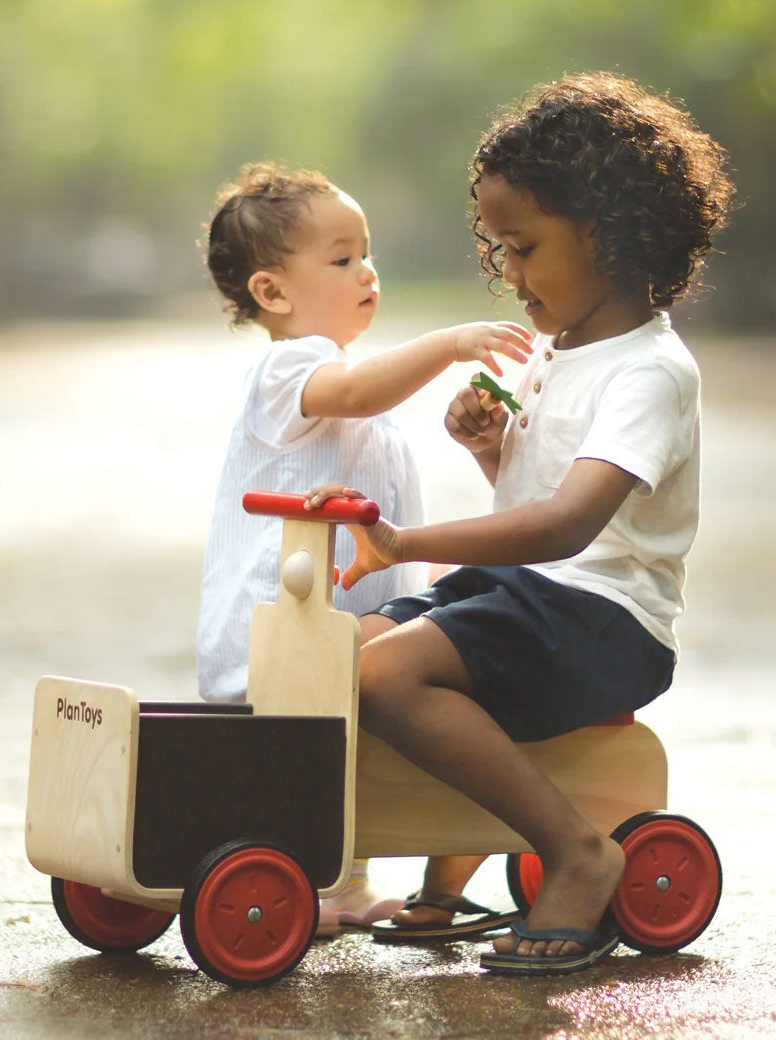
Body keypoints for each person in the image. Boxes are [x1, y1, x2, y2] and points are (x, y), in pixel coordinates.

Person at [305, 72, 735, 975]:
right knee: (340, 657)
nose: (508, 272)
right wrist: (491, 450)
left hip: (604, 620)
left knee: (389, 677)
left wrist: (408, 542)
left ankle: (577, 852)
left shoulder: (649, 371)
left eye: (526, 246)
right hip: (533, 597)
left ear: (612, 238)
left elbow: (568, 528)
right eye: (498, 246)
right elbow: (534, 498)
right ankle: (444, 852)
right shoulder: (556, 351)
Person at [196, 161, 531, 936]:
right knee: (301, 755)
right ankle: (288, 871)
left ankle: (344, 882)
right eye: (341, 258)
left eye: (366, 252)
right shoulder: (290, 368)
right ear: (272, 294)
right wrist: (449, 345)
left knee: (343, 755)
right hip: (282, 615)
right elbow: (356, 393)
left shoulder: (349, 383)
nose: (366, 271)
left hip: (346, 619)